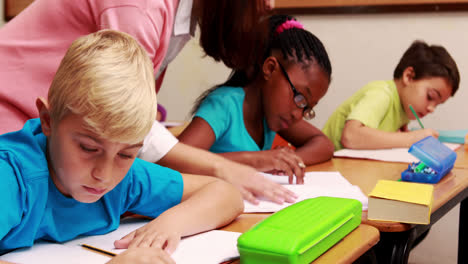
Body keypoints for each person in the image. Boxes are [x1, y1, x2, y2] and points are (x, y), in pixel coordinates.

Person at [0, 0, 294, 205]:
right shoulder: (139, 8)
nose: (268, 4)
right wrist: (221, 168)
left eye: (126, 155)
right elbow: (120, 118)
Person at [0, 30, 243, 262]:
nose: (103, 175)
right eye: (88, 148)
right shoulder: (11, 180)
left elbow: (225, 194)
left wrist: (170, 224)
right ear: (47, 121)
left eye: (127, 154)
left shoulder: (124, 178)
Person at [178, 15, 335, 184]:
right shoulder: (225, 105)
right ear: (270, 68)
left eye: (307, 108)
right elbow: (174, 161)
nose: (299, 115)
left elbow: (323, 144)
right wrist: (257, 160)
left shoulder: (272, 114)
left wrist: (286, 160)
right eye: (300, 98)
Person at [323, 40, 460, 150]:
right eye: (430, 97)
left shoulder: (404, 108)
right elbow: (351, 136)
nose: (432, 108)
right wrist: (411, 138)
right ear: (409, 76)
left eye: (438, 104)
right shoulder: (382, 94)